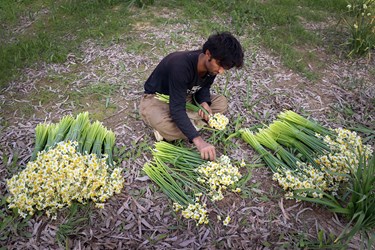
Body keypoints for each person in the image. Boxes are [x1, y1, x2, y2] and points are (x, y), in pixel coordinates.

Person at [139, 32, 244, 161]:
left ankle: (186, 123)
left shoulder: (212, 66)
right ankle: (191, 123)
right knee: (165, 125)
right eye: (220, 65)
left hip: (185, 95)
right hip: (158, 99)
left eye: (225, 68)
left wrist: (204, 102)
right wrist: (199, 141)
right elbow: (177, 108)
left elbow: (204, 86)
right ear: (208, 54)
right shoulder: (180, 66)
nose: (221, 71)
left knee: (221, 102)